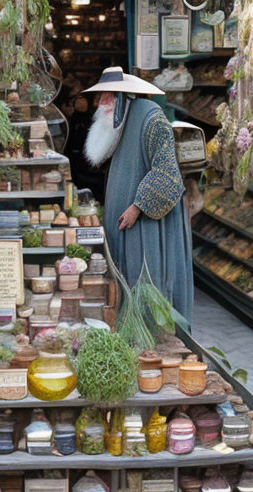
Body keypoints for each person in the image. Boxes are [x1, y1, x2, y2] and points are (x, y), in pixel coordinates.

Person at [83, 67, 193, 323]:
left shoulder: (151, 119)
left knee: (147, 287)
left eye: (106, 97)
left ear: (122, 96)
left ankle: (152, 338)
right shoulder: (120, 121)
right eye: (99, 98)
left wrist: (137, 207)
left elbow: (168, 174)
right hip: (128, 224)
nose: (100, 103)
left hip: (145, 226)